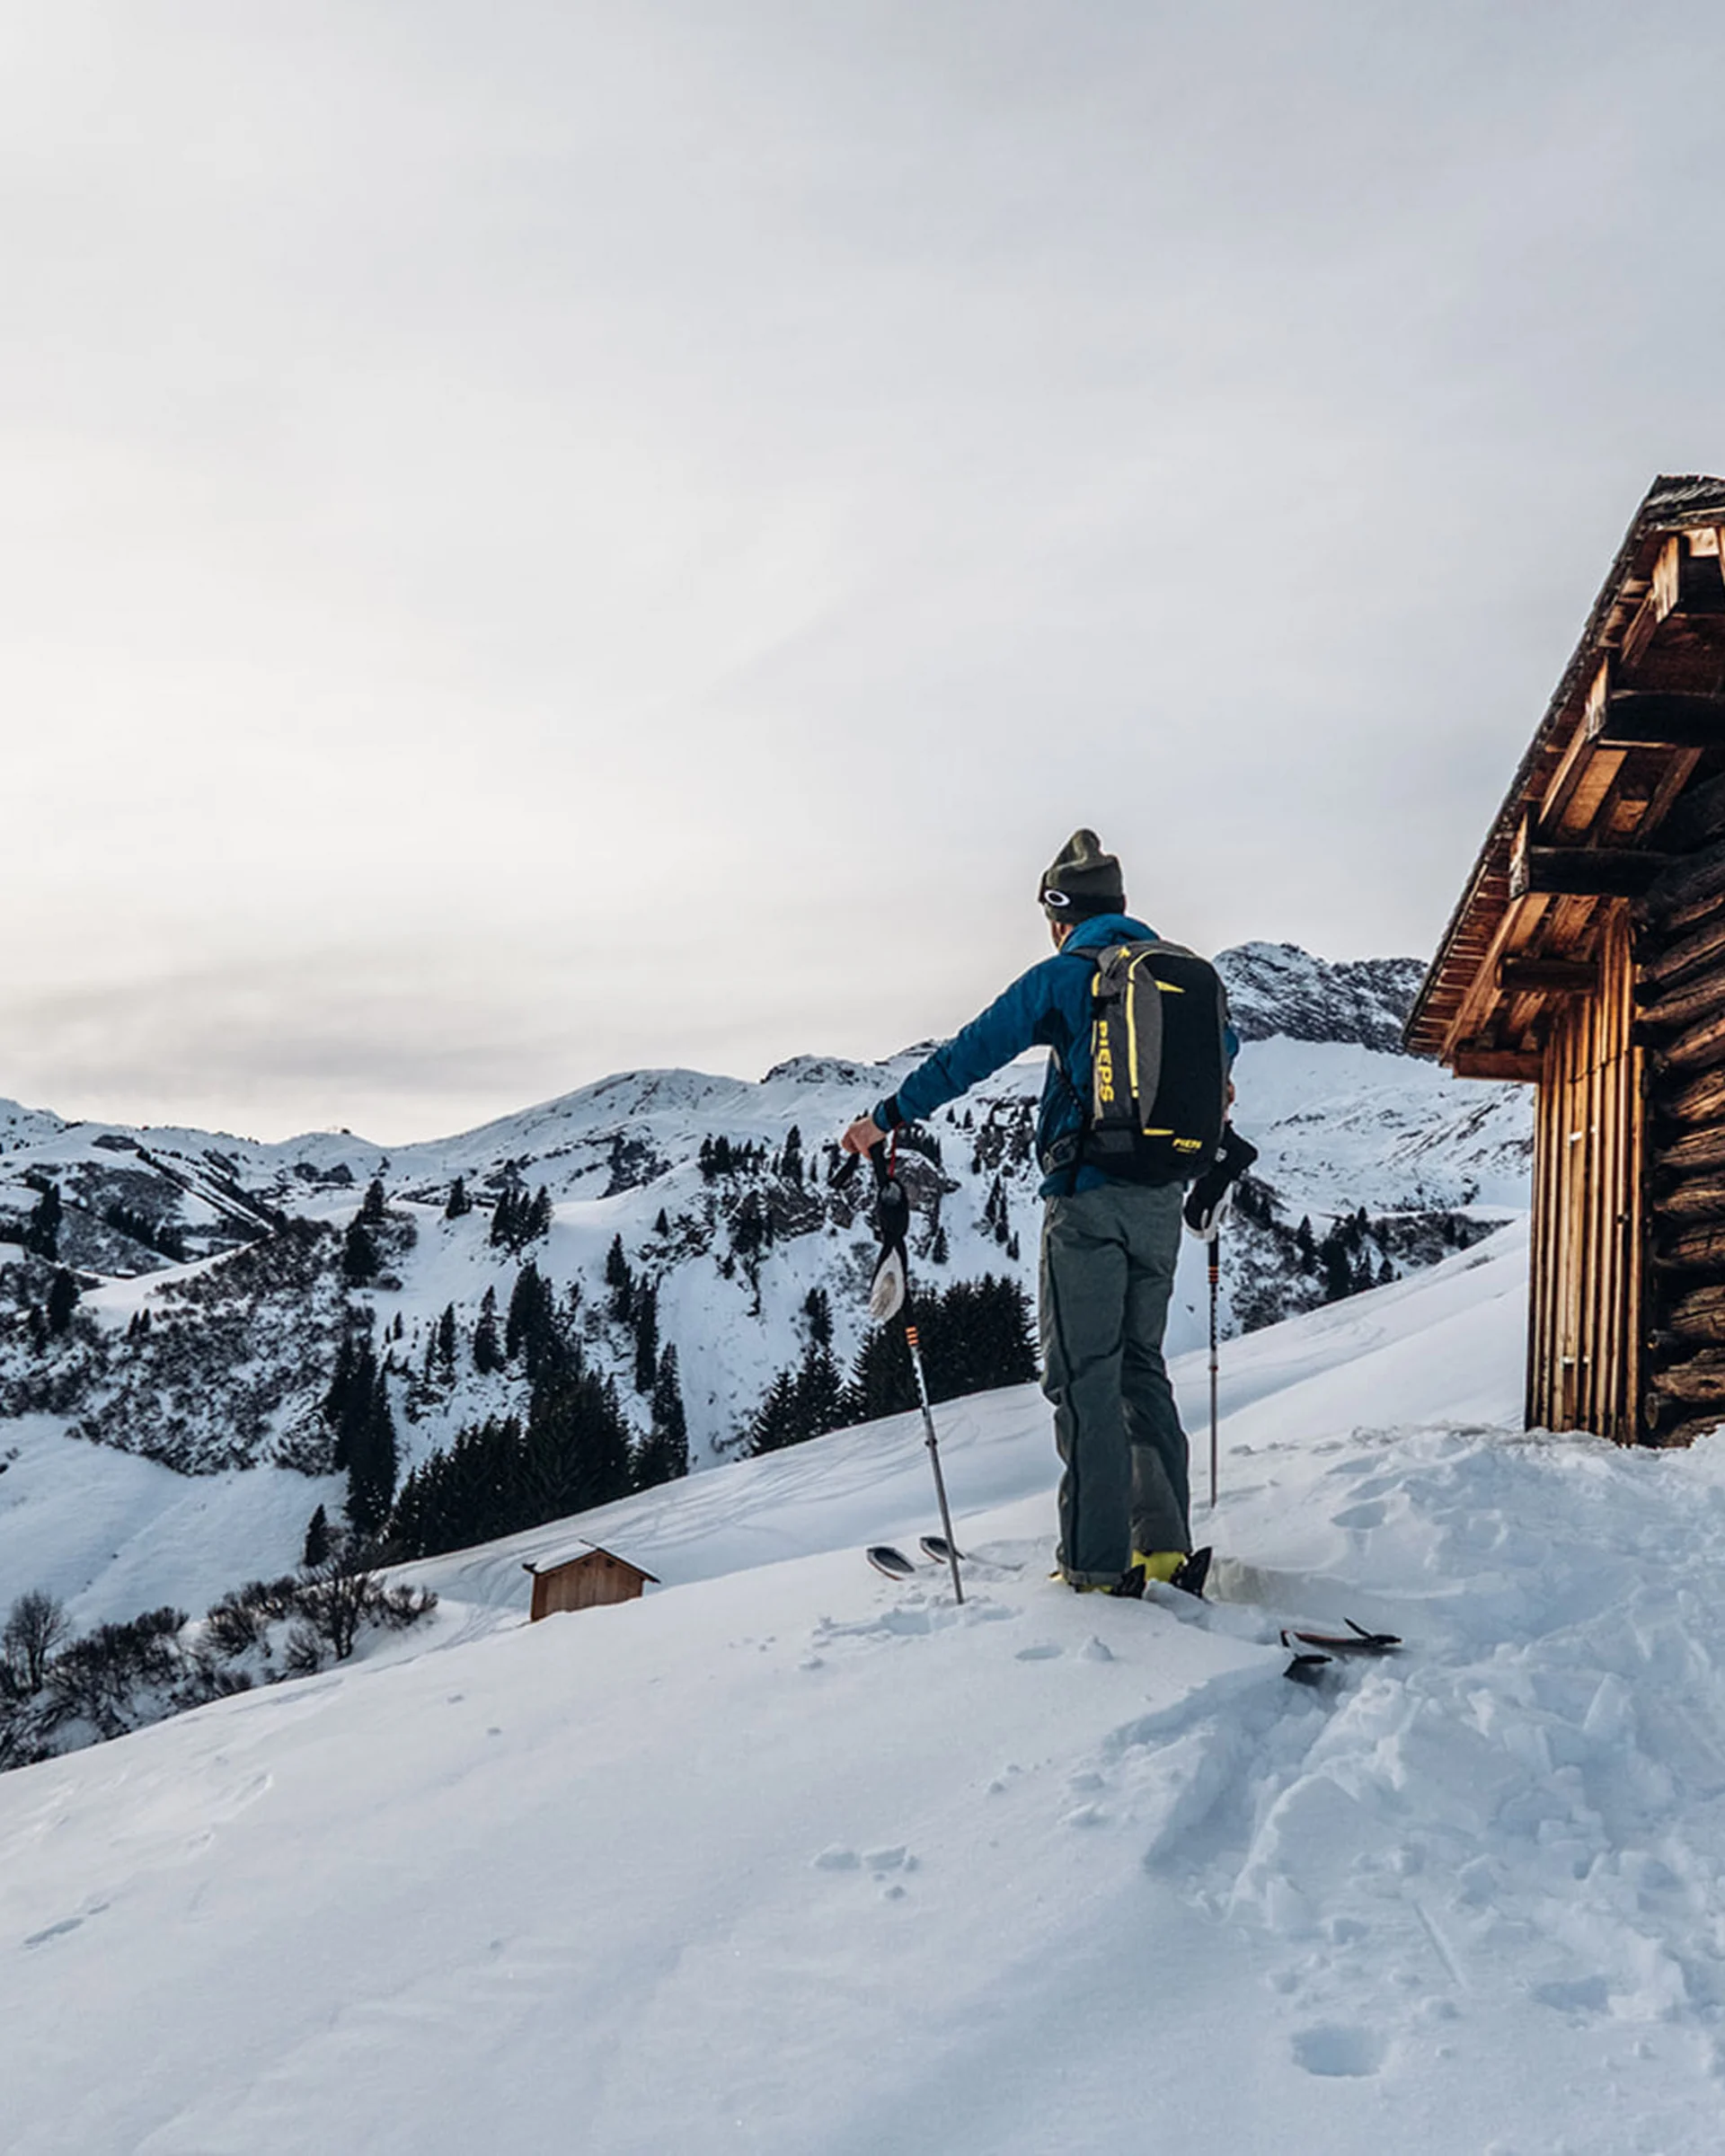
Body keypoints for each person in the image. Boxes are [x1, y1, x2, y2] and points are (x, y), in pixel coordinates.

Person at [841, 829, 1235, 1595]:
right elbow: (1227, 1052)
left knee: (1084, 1377)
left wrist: (884, 1119)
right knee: (1141, 1368)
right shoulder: (1181, 977)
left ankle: (1094, 1564)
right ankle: (1164, 1549)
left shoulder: (1065, 976)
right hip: (1161, 1198)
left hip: (1087, 1200)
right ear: (1121, 905)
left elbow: (969, 1053)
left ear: (1060, 917)